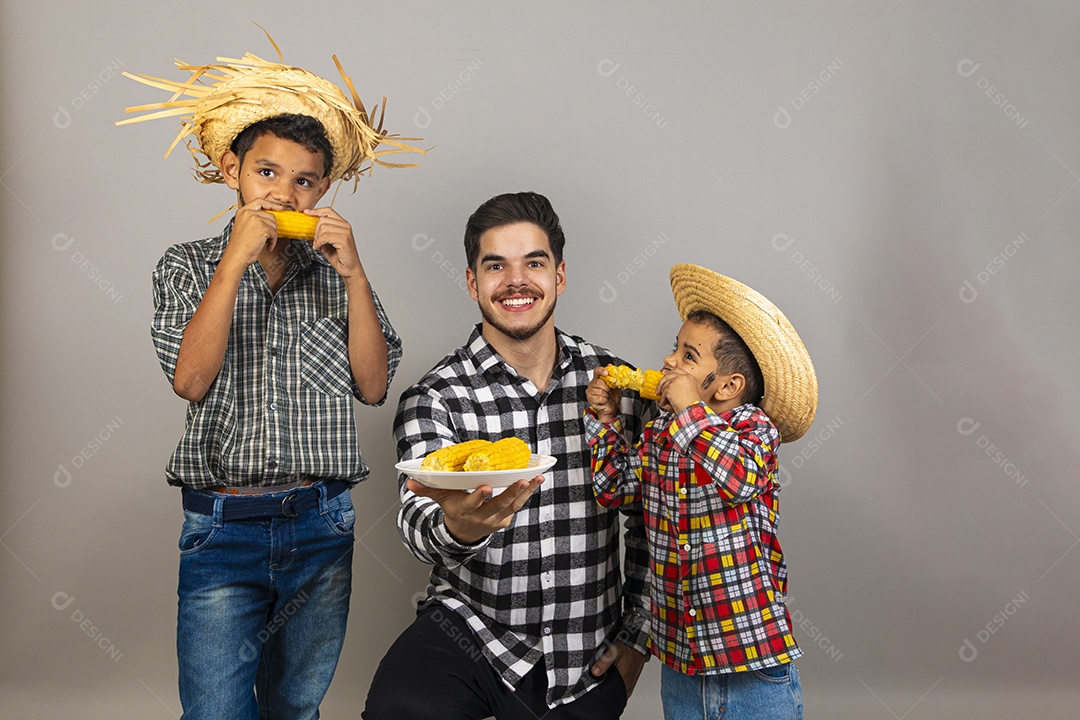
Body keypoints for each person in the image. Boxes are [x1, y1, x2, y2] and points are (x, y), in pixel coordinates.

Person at [124, 38, 420, 720]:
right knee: (216, 712)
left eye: (304, 181)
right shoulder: (186, 265)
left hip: (321, 523)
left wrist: (355, 275)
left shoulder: (332, 274)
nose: (282, 193)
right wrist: (232, 264)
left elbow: (373, 387)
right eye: (265, 172)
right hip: (222, 527)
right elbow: (190, 381)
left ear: (322, 190)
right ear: (233, 169)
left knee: (296, 709)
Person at [364, 192, 652, 719]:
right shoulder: (435, 396)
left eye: (534, 263)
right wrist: (461, 528)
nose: (516, 281)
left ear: (559, 276)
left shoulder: (617, 386)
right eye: (496, 265)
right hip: (471, 626)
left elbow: (652, 525)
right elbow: (415, 520)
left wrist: (636, 640)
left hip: (585, 649)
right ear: (473, 282)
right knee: (398, 710)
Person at [583, 264, 818, 720]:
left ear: (729, 386)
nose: (670, 361)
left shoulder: (754, 431)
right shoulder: (660, 433)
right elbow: (614, 489)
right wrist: (606, 422)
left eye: (689, 357)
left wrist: (690, 407)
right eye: (674, 349)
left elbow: (740, 477)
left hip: (751, 662)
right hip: (683, 664)